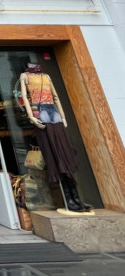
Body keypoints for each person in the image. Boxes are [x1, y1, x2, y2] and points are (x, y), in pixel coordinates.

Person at [20, 63, 89, 212]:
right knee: (53, 154)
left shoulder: (46, 76)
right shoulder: (25, 76)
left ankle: (75, 197)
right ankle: (68, 199)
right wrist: (31, 116)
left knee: (64, 153)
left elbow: (56, 97)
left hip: (54, 112)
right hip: (40, 112)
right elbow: (25, 97)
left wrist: (63, 117)